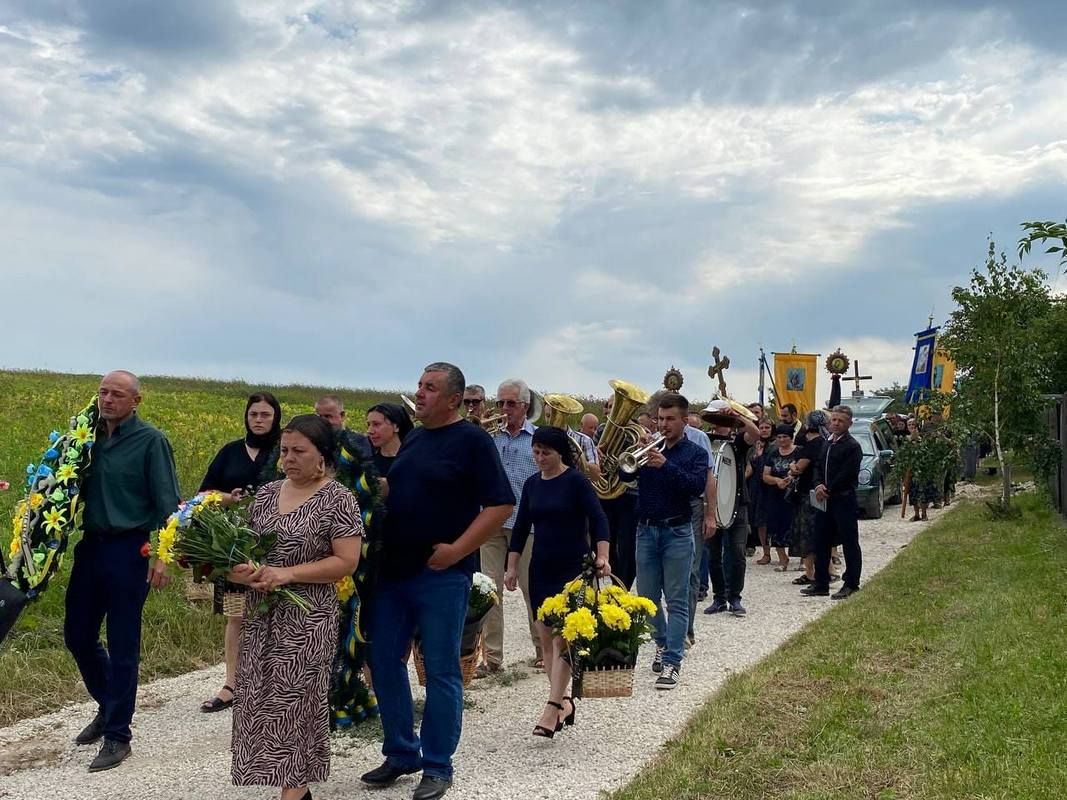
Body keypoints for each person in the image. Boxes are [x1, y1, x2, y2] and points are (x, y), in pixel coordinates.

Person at [362, 362, 514, 800]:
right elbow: (404, 490)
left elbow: (500, 505)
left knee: (442, 670)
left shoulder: (472, 441)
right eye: (419, 386)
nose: (420, 393)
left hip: (441, 576)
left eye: (430, 388)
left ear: (452, 399)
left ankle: (438, 765)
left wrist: (459, 550)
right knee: (386, 663)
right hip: (393, 572)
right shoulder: (414, 438)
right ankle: (401, 752)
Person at [228, 415, 363, 800]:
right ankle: (293, 789)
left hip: (307, 618)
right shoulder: (268, 494)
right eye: (284, 451)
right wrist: (241, 571)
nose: (288, 458)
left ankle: (294, 789)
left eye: (298, 451)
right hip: (261, 616)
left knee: (297, 703)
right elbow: (246, 549)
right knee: (260, 700)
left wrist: (287, 574)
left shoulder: (339, 498)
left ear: (321, 456)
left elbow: (346, 562)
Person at [65, 371, 180, 772]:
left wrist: (163, 558)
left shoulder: (151, 441)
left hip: (130, 549)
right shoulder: (85, 438)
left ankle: (118, 735)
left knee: (123, 643)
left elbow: (170, 504)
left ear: (136, 401)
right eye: (103, 392)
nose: (108, 399)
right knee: (77, 635)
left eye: (117, 394)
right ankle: (109, 703)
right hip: (90, 547)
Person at [504, 426, 610, 737]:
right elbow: (521, 527)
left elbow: (599, 518)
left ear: (559, 452)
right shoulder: (532, 484)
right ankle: (564, 700)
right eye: (535, 452)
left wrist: (603, 556)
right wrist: (511, 567)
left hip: (573, 567)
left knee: (564, 638)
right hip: (541, 567)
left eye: (545, 452)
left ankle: (552, 706)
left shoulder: (576, 481)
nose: (539, 458)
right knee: (547, 638)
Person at [199, 391, 283, 715]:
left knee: (275, 614)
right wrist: (229, 499)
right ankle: (231, 684)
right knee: (236, 615)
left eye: (265, 415)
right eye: (254, 415)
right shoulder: (230, 452)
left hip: (276, 544)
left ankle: (273, 684)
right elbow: (204, 494)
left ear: (275, 418)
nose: (259, 420)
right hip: (233, 545)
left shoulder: (282, 453)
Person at [626, 393, 708, 690]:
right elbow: (624, 479)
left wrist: (665, 466)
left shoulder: (695, 453)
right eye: (660, 419)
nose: (663, 424)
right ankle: (661, 643)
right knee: (646, 600)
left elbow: (695, 487)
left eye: (670, 419)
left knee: (676, 600)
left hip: (677, 531)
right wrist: (634, 458)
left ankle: (673, 661)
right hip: (645, 530)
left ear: (684, 421)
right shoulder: (648, 450)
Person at [478, 378, 541, 676]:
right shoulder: (488, 437)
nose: (503, 409)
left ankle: (543, 650)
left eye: (510, 404)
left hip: (526, 524)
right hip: (490, 521)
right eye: (500, 402)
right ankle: (492, 658)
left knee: (532, 589)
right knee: (488, 590)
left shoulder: (537, 440)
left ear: (525, 407)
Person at [703, 407, 761, 617]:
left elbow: (755, 434)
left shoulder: (737, 443)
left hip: (737, 504)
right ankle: (719, 598)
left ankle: (735, 597)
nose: (720, 422)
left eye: (723, 418)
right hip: (711, 505)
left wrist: (737, 416)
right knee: (713, 555)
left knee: (737, 552)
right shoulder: (705, 441)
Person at [802, 405, 863, 600]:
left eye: (840, 421)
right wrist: (818, 484)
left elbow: (848, 473)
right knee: (821, 540)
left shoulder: (852, 446)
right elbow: (818, 465)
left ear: (849, 424)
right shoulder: (827, 443)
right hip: (824, 500)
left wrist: (828, 489)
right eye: (834, 420)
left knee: (849, 541)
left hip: (842, 498)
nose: (836, 424)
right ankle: (821, 582)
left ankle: (851, 582)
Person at [788, 411, 827, 586]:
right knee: (813, 532)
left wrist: (791, 466)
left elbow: (797, 469)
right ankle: (814, 571)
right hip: (814, 492)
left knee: (808, 533)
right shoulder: (824, 442)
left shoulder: (813, 444)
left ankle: (812, 573)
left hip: (808, 494)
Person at [762, 424, 801, 572]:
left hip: (795, 494)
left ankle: (803, 559)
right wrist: (777, 481)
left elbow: (804, 469)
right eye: (779, 437)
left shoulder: (799, 451)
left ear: (791, 437)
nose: (782, 439)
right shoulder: (772, 453)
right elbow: (765, 475)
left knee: (797, 525)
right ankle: (782, 559)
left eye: (785, 437)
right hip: (776, 495)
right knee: (776, 526)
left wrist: (791, 477)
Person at [366, 402, 414, 482]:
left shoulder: (412, 462)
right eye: (368, 425)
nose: (369, 431)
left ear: (396, 427)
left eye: (376, 424)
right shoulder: (366, 462)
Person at [748, 418, 774, 564]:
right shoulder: (754, 446)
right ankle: (766, 552)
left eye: (767, 427)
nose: (764, 430)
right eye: (761, 427)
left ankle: (780, 551)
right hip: (757, 486)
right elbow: (751, 466)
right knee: (760, 521)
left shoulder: (776, 444)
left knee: (774, 520)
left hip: (771, 486)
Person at [315, 394, 372, 460]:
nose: (323, 421)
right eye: (319, 417)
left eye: (328, 416)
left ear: (342, 415)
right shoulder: (313, 442)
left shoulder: (359, 443)